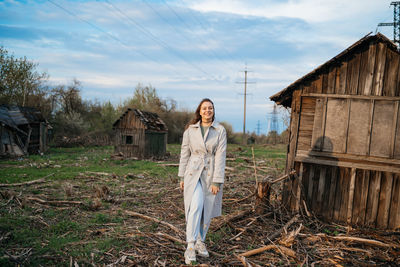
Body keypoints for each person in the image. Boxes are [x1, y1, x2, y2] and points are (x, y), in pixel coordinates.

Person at [178, 98, 227, 264]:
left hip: (211, 173)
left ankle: (200, 241)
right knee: (196, 206)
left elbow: (221, 156)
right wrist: (182, 176)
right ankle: (190, 245)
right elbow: (184, 154)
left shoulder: (220, 130)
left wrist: (217, 181)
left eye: (210, 108)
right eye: (204, 108)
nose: (207, 111)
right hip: (192, 173)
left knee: (207, 209)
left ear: (213, 111)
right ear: (199, 111)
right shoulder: (190, 131)